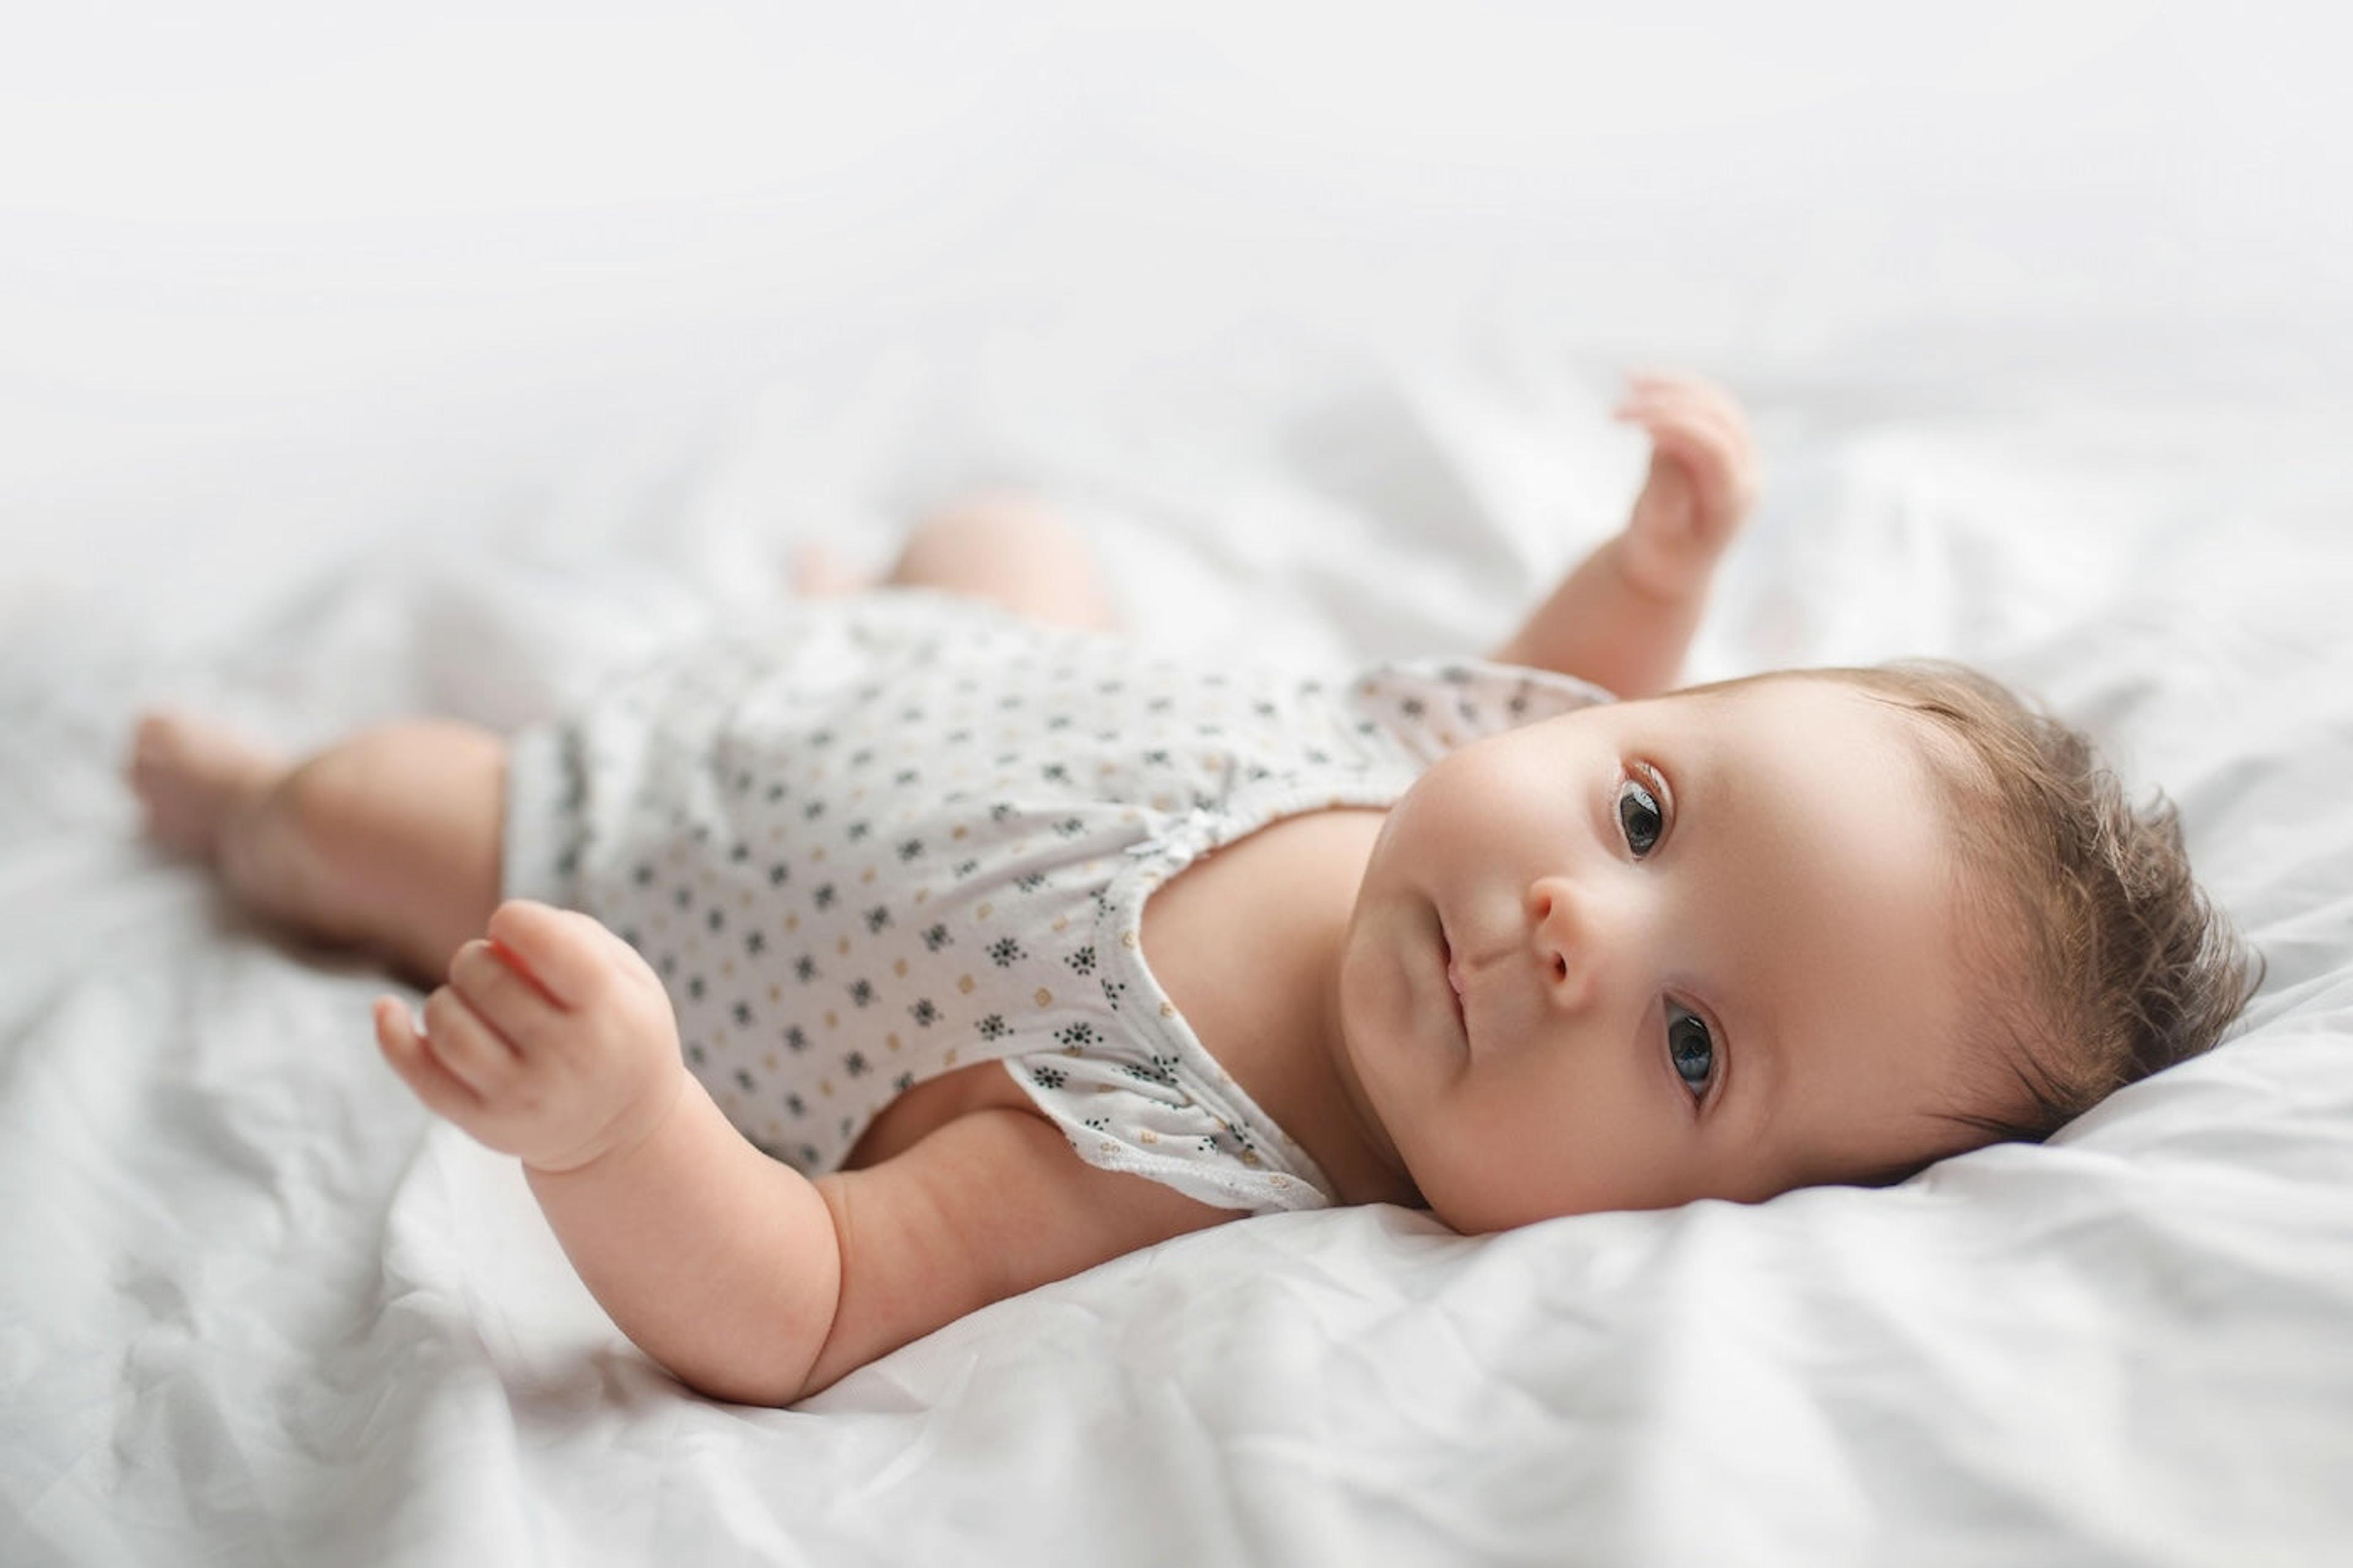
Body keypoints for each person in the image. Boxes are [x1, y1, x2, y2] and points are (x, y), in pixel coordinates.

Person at [124, 373, 2259, 1407]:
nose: (1573, 929)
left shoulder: (1172, 1158)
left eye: (1690, 1043)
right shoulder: (1460, 787)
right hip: (966, 671)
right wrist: (1660, 575)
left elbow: (813, 1298)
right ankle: (854, 593)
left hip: (639, 836)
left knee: (381, 815)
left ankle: (244, 813)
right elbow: (1580, 690)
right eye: (1643, 812)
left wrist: (619, 1124)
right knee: (1006, 530)